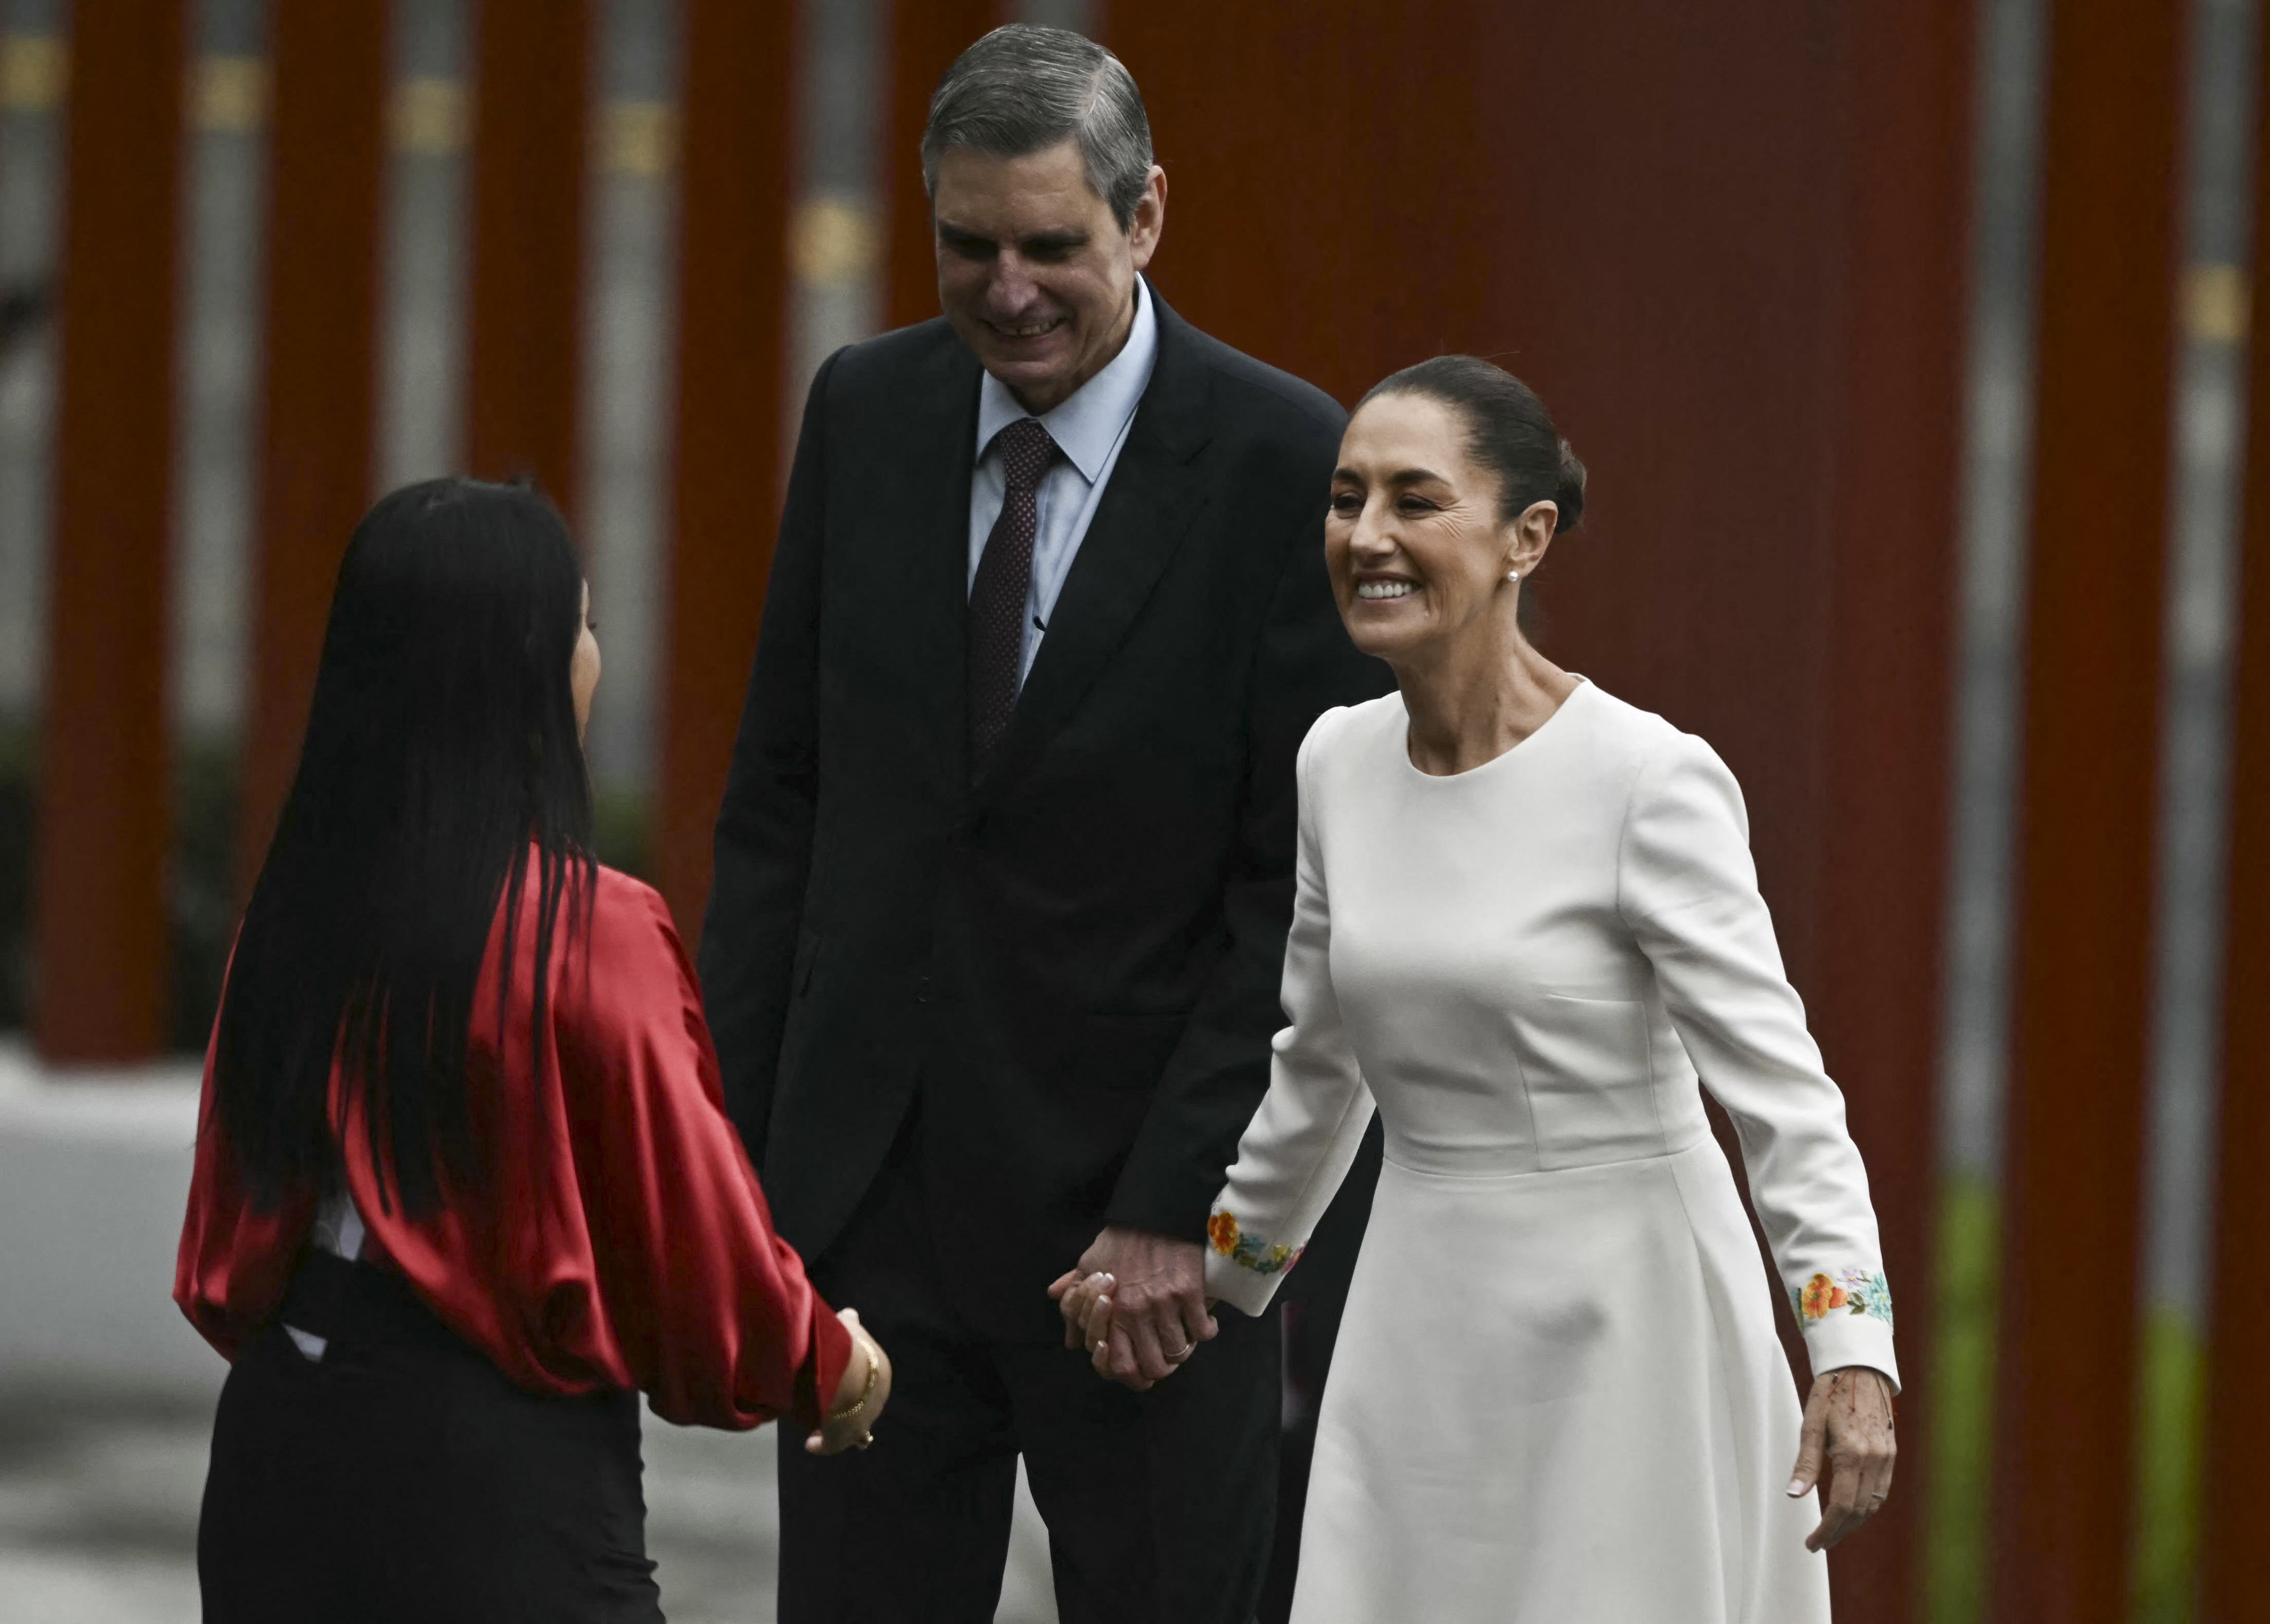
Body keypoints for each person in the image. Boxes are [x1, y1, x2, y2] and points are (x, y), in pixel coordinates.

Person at [697, 24, 1386, 1622]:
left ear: (1143, 219)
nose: (1006, 287)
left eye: (1050, 246)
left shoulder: (1288, 463)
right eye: (967, 245)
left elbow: (1297, 887)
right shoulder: (864, 410)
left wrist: (1182, 1208)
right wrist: (738, 1172)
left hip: (1136, 1257)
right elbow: (780, 807)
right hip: (871, 1220)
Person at [1069, 356, 1901, 1620]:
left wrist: (1851, 1352)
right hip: (1417, 1314)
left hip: (1627, 1322)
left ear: (1527, 537)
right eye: (1347, 499)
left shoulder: (1648, 779)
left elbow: (1784, 1100)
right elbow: (1319, 1071)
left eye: (1415, 500)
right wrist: (1207, 1270)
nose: (1367, 536)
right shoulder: (1335, 760)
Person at [174, 479, 891, 1624]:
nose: (595, 656)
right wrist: (833, 1360)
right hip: (491, 1472)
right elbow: (697, 1237)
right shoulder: (589, 929)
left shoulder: (289, 911)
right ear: (523, 666)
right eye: (586, 624)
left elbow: (229, 1219)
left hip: (276, 1447)